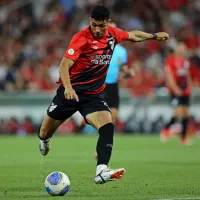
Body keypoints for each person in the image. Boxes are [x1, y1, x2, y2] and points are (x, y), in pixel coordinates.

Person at [38, 5, 169, 184]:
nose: (97, 29)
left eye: (101, 25)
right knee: (44, 132)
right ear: (90, 22)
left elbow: (133, 35)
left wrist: (154, 36)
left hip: (93, 96)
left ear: (108, 22)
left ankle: (101, 171)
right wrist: (68, 88)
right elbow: (64, 65)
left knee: (107, 126)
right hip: (70, 93)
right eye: (94, 25)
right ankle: (45, 141)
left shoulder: (113, 34)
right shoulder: (81, 38)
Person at [160, 41, 192, 145]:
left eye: (184, 48)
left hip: (185, 90)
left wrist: (190, 87)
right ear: (176, 49)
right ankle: (165, 130)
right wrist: (175, 89)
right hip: (175, 91)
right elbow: (169, 77)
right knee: (178, 112)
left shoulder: (185, 61)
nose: (183, 50)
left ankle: (184, 138)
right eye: (181, 48)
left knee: (186, 113)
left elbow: (187, 75)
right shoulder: (170, 61)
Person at [104, 22, 134, 124]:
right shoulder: (97, 47)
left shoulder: (121, 51)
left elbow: (124, 71)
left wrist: (128, 73)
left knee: (114, 114)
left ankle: (107, 137)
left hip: (112, 84)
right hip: (98, 84)